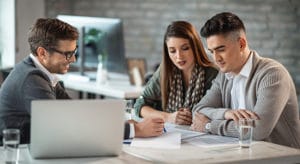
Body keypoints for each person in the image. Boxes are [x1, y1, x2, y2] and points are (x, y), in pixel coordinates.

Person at [0, 18, 163, 144]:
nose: (73, 59)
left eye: (74, 52)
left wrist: (119, 122)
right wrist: (135, 130)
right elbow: (68, 128)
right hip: (17, 155)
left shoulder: (41, 73)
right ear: (42, 53)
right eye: (67, 54)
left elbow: (74, 113)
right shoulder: (32, 79)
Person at [191, 12, 300, 148]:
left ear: (241, 44)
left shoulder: (272, 74)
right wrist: (225, 113)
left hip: (281, 158)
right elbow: (198, 111)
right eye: (212, 52)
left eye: (221, 49)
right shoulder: (224, 76)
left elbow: (258, 130)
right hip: (243, 155)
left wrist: (208, 125)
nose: (216, 58)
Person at [134, 21, 218, 125]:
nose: (179, 56)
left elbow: (216, 114)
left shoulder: (212, 74)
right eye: (172, 51)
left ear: (195, 47)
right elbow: (139, 106)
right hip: (170, 134)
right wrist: (168, 117)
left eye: (185, 48)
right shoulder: (166, 70)